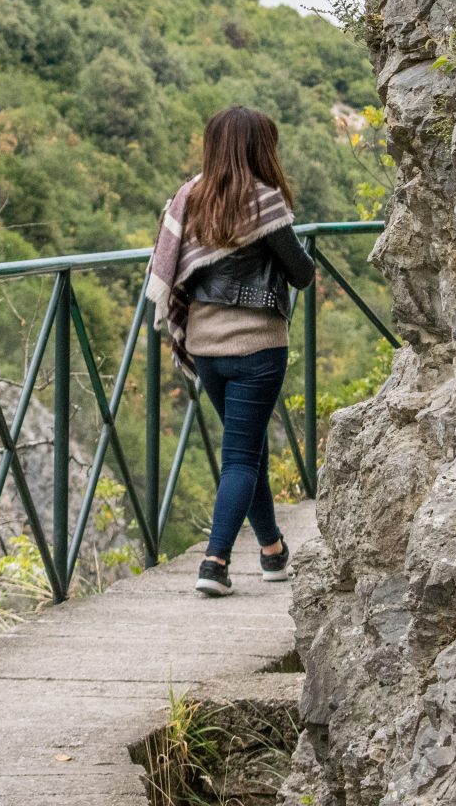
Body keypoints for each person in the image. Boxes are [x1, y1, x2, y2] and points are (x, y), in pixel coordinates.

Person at [145, 106, 316, 597]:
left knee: (249, 447)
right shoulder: (266, 203)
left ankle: (272, 551)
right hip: (258, 348)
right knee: (242, 455)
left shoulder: (188, 201)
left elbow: (173, 272)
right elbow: (300, 275)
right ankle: (215, 563)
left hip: (205, 346)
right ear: (262, 148)